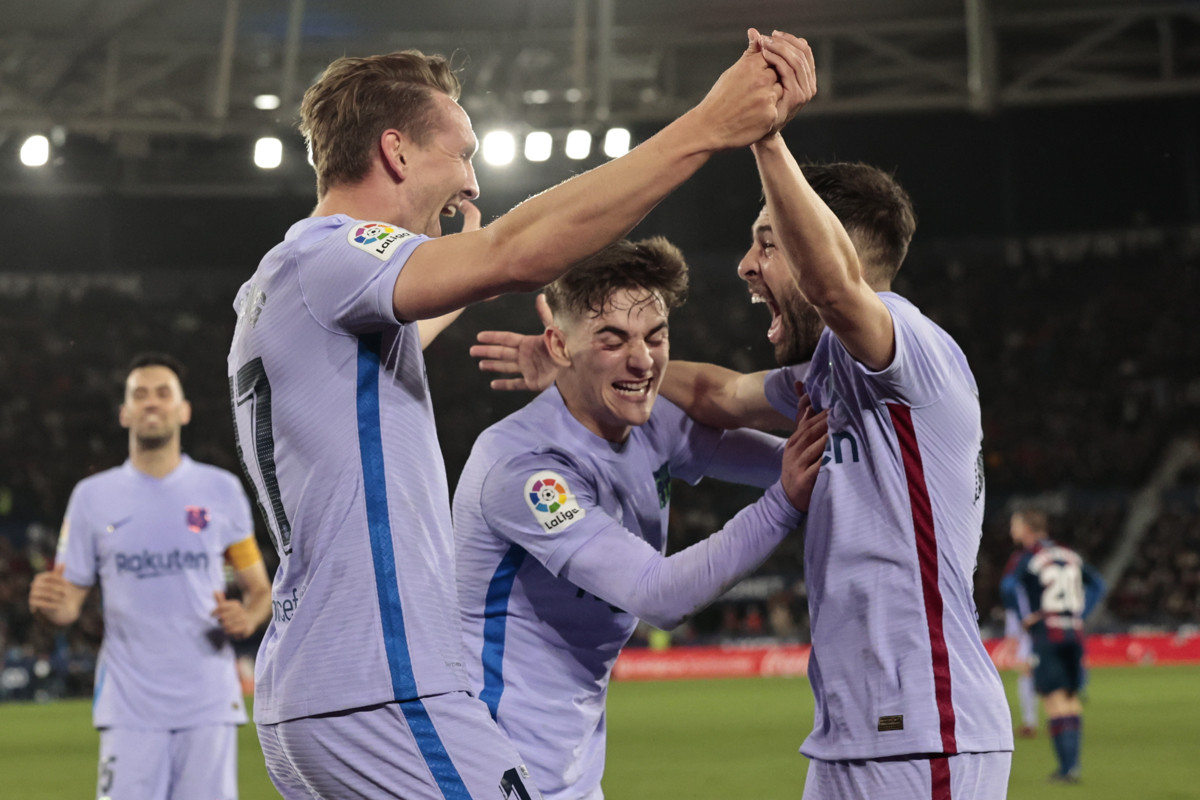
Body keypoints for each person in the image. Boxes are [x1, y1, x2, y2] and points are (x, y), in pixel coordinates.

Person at [228, 30, 812, 800]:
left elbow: (430, 310)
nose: (471, 179)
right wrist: (707, 126)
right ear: (397, 152)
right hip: (385, 684)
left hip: (316, 691)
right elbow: (517, 252)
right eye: (461, 152)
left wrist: (499, 302)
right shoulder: (331, 255)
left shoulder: (284, 286)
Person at [472, 34, 1014, 798]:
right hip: (857, 735)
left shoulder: (911, 348)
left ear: (820, 243)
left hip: (924, 725)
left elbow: (833, 287)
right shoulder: (829, 376)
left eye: (768, 242)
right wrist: (573, 357)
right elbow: (717, 396)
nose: (746, 266)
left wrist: (763, 133)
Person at [453, 238, 828, 800]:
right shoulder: (522, 467)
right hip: (491, 761)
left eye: (656, 336)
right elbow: (658, 595)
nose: (644, 360)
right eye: (613, 339)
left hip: (570, 765)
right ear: (559, 344)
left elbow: (795, 465)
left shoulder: (652, 422)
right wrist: (783, 505)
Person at [27, 353, 271, 800]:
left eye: (164, 393)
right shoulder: (91, 498)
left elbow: (260, 592)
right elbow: (68, 604)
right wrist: (48, 602)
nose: (151, 403)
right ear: (125, 413)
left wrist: (248, 618)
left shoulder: (221, 491)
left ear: (184, 410)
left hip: (207, 700)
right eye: (139, 394)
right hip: (129, 704)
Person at [1001, 509, 1105, 784]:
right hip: (1074, 633)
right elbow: (1097, 584)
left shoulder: (1026, 557)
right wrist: (1079, 613)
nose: (1013, 531)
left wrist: (1026, 618)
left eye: (1015, 525)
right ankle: (1072, 767)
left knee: (1053, 700)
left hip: (1048, 634)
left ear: (1027, 528)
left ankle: (1065, 769)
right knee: (1071, 698)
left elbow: (1009, 587)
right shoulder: (1068, 553)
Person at [999, 548, 1040, 739]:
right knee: (1028, 673)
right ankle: (1031, 721)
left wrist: (1012, 635)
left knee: (1027, 673)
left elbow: (1014, 611)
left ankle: (1031, 721)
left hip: (1032, 632)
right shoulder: (1030, 586)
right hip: (1035, 632)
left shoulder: (1017, 587)